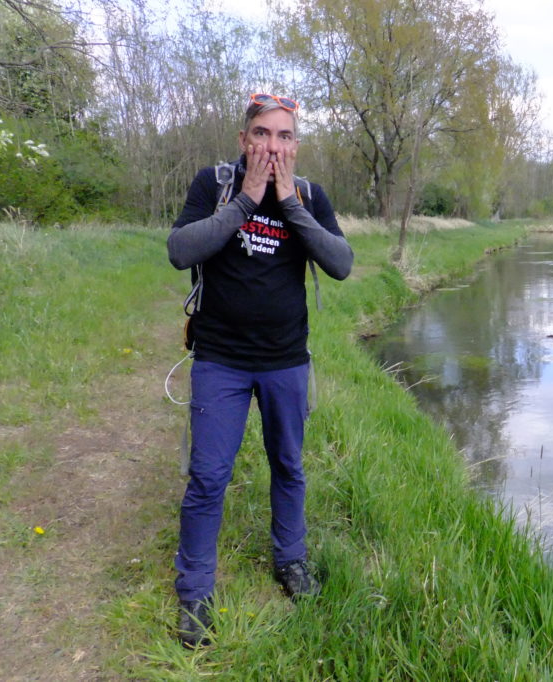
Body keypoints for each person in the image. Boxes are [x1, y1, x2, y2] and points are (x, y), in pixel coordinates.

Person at [166, 93, 353, 648]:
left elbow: (341, 264)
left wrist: (289, 205)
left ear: (295, 145)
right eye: (263, 134)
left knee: (289, 466)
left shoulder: (309, 196)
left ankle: (290, 561)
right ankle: (196, 592)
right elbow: (180, 250)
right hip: (220, 358)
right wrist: (245, 202)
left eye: (285, 136)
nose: (273, 145)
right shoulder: (214, 184)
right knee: (208, 477)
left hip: (285, 360)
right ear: (245, 139)